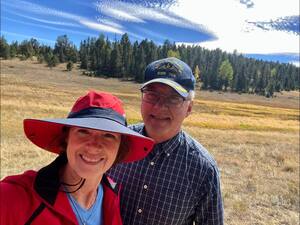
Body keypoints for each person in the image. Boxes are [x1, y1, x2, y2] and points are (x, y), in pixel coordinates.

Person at [0, 90, 154, 225]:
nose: (93, 146)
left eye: (108, 135)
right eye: (83, 131)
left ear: (120, 147)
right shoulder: (12, 197)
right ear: (67, 137)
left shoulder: (111, 195)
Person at [108, 57, 224, 225]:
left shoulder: (203, 170)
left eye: (173, 98)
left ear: (189, 108)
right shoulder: (117, 141)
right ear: (142, 98)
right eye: (152, 95)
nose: (159, 107)